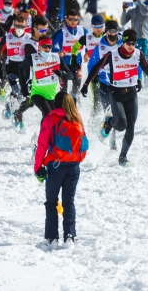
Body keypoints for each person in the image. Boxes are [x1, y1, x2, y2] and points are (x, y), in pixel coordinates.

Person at [81, 30, 148, 165]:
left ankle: (123, 156)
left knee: (131, 126)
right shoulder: (112, 55)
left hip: (131, 94)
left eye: (133, 43)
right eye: (128, 43)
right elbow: (96, 68)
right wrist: (86, 84)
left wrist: (147, 67)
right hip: (116, 94)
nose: (131, 46)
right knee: (121, 125)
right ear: (123, 42)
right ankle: (109, 124)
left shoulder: (138, 54)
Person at [33, 92, 86, 246]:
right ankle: (70, 236)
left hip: (55, 166)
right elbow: (83, 142)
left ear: (55, 104)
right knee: (69, 202)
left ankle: (52, 238)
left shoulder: (50, 119)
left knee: (51, 202)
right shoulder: (77, 117)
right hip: (74, 166)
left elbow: (42, 145)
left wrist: (38, 167)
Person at [22, 36, 71, 118]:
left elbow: (70, 75)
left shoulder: (56, 58)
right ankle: (19, 113)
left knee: (53, 117)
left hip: (52, 95)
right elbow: (21, 69)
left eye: (49, 46)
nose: (47, 49)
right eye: (45, 46)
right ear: (39, 47)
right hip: (37, 93)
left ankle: (47, 130)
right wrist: (23, 86)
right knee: (47, 113)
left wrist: (62, 74)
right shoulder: (32, 58)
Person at [52, 9, 86, 99]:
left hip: (77, 63)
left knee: (77, 85)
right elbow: (48, 45)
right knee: (64, 89)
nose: (74, 22)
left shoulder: (82, 31)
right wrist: (58, 51)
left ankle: (74, 103)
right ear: (66, 19)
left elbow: (91, 42)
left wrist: (87, 53)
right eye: (71, 19)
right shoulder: (61, 32)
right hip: (64, 64)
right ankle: (62, 106)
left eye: (76, 19)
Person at [120, 0, 148, 67]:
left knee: (143, 61)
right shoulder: (132, 11)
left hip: (143, 39)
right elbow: (123, 22)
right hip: (133, 40)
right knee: (133, 61)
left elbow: (144, 12)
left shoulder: (147, 8)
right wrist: (124, 10)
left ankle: (146, 77)